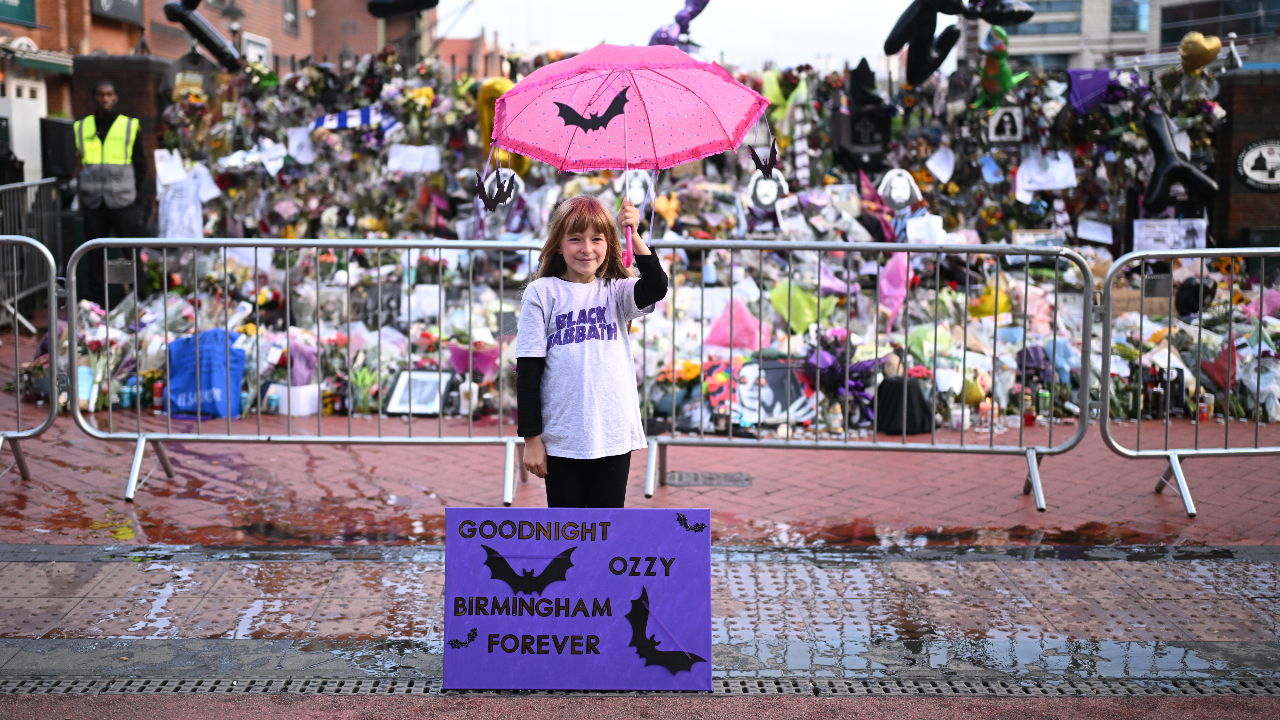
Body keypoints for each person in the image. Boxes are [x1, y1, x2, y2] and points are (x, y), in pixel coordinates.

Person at [516, 195, 669, 508]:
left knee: (608, 529)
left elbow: (656, 286)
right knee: (567, 531)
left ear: (609, 243)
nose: (586, 249)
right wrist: (531, 438)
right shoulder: (542, 293)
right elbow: (528, 371)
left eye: (596, 239)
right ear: (558, 245)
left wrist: (635, 234)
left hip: (612, 433)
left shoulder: (618, 290)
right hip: (561, 436)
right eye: (575, 239)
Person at [73, 80, 149, 303]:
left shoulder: (129, 125)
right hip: (94, 201)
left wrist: (132, 190)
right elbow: (79, 162)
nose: (105, 99)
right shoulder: (82, 126)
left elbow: (140, 163)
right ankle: (98, 303)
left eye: (109, 95)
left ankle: (139, 298)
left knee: (129, 251)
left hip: (122, 199)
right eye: (100, 95)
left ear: (116, 97)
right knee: (94, 253)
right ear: (94, 98)